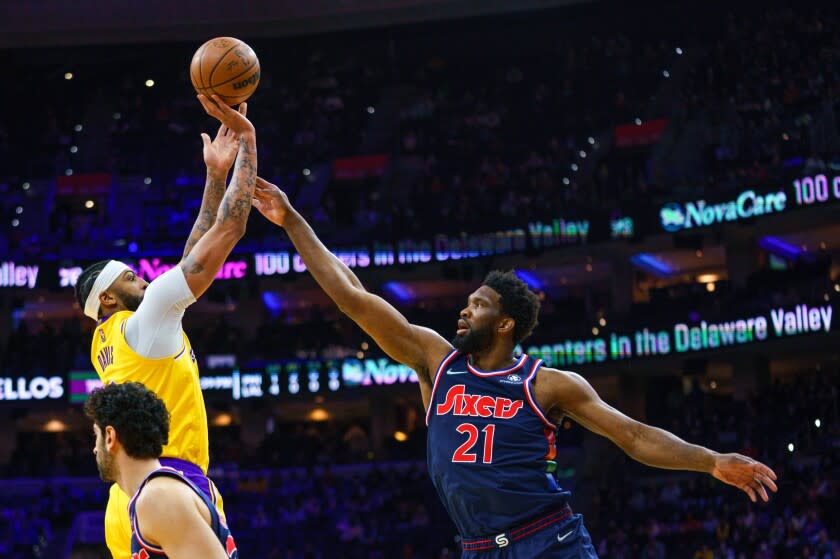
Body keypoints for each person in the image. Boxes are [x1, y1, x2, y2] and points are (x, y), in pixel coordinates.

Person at [251, 178, 779, 559]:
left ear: (505, 324)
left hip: (549, 542)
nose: (464, 309)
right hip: (478, 549)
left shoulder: (547, 383)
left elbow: (634, 436)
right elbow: (352, 297)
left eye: (477, 304)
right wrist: (292, 220)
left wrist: (711, 462)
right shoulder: (435, 359)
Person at [73, 94, 256, 559]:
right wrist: (249, 144)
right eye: (131, 277)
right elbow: (230, 229)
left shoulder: (108, 340)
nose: (147, 278)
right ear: (109, 298)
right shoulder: (148, 322)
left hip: (125, 497)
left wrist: (215, 176)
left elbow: (189, 255)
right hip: (167, 483)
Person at [84, 381, 238, 559]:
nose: (94, 449)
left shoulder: (159, 498)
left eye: (96, 436)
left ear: (110, 437)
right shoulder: (157, 493)